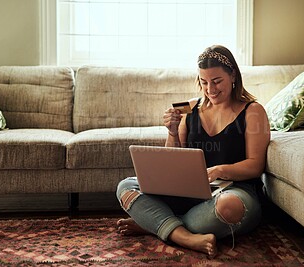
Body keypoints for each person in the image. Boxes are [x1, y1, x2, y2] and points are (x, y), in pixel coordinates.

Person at [116, 45, 270, 258]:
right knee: (126, 187)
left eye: (217, 81)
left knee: (228, 207)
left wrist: (218, 171)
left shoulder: (253, 111)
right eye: (204, 82)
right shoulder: (189, 108)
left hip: (234, 192)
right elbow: (171, 160)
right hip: (190, 193)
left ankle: (156, 223)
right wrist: (171, 132)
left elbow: (255, 165)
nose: (210, 89)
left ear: (233, 74)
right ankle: (184, 236)